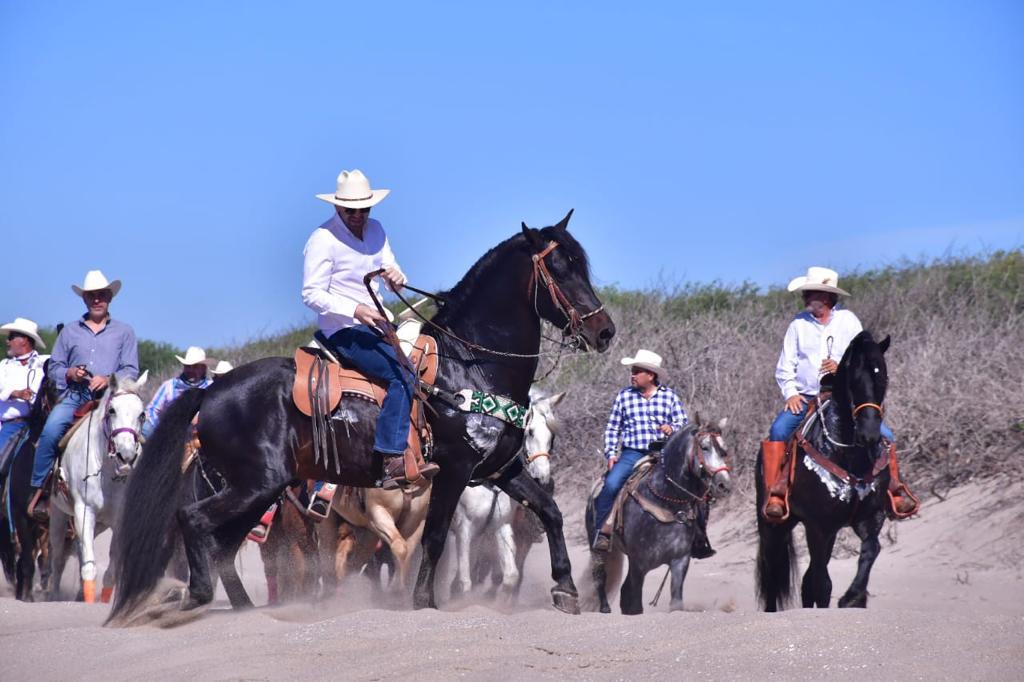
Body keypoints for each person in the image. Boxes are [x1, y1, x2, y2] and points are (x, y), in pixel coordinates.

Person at [302, 168, 438, 490]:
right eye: (351, 210)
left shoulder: (377, 230)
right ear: (337, 207)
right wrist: (355, 309)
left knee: (430, 362)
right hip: (345, 331)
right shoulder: (323, 239)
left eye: (364, 209)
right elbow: (311, 293)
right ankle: (392, 458)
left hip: (379, 323)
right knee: (402, 374)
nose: (359, 215)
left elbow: (389, 272)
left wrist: (396, 278)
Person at [761, 266, 916, 521]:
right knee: (779, 431)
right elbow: (785, 365)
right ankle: (775, 494)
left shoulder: (849, 321)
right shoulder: (797, 325)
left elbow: (863, 360)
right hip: (807, 396)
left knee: (886, 435)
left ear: (827, 297)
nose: (806, 298)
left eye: (811, 293)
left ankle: (895, 491)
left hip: (841, 398)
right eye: (806, 293)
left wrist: (842, 366)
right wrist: (790, 393)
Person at [28, 270, 139, 521]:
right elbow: (54, 367)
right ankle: (41, 493)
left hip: (112, 398)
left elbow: (131, 369)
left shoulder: (125, 332)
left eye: (101, 295)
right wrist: (70, 373)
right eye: (92, 296)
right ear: (84, 300)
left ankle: (146, 493)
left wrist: (108, 377)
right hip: (76, 397)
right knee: (50, 431)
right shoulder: (69, 332)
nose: (97, 300)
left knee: (142, 435)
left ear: (109, 297)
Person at [591, 349, 713, 556]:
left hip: (665, 455)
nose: (633, 375)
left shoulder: (669, 397)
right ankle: (603, 534)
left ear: (651, 375)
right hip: (633, 453)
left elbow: (684, 427)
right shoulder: (624, 397)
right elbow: (613, 428)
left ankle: (699, 538)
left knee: (699, 489)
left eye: (637, 371)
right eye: (633, 371)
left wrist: (671, 429)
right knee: (611, 485)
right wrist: (611, 454)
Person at [0, 318, 48, 475]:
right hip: (9, 425)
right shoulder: (4, 365)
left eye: (12, 337)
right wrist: (16, 393)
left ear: (24, 340)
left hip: (37, 425)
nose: (8, 342)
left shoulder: (43, 363)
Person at [142, 346, 211, 439]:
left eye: (195, 367)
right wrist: (162, 428)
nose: (190, 370)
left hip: (201, 434)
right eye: (187, 366)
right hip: (169, 433)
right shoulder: (169, 386)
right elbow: (152, 409)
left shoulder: (211, 387)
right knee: (145, 428)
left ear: (203, 368)